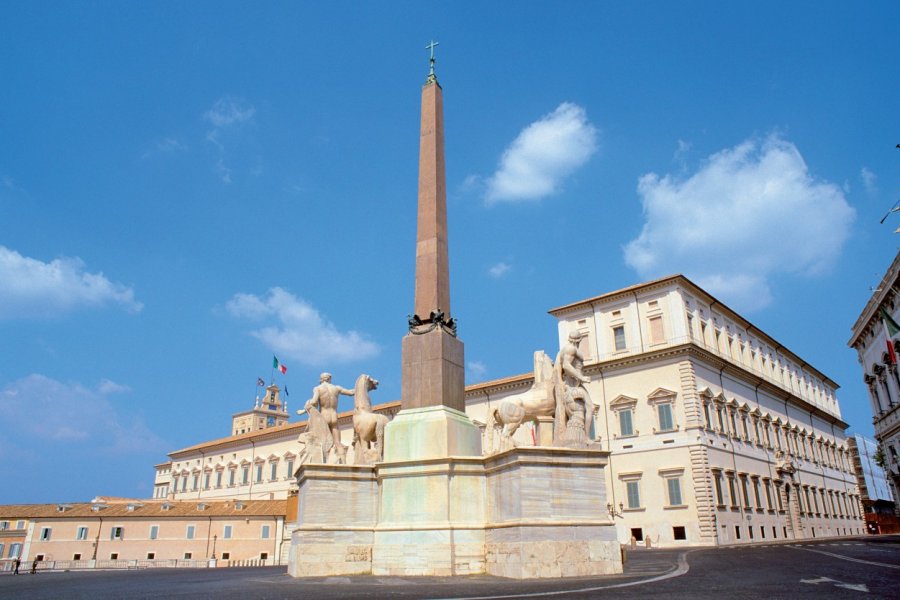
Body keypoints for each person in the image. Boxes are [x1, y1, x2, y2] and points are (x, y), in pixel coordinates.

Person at [558, 330, 594, 441]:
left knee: (589, 408)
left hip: (573, 385)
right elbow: (566, 366)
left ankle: (586, 436)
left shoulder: (566, 349)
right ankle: (586, 437)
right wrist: (581, 377)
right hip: (572, 387)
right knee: (590, 408)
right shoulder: (571, 349)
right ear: (578, 340)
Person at [304, 373, 355, 449]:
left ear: (321, 379)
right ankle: (342, 459)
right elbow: (351, 393)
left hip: (324, 417)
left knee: (322, 444)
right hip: (334, 417)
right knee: (338, 443)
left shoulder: (318, 388)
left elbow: (314, 401)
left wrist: (306, 406)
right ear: (329, 379)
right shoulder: (336, 388)